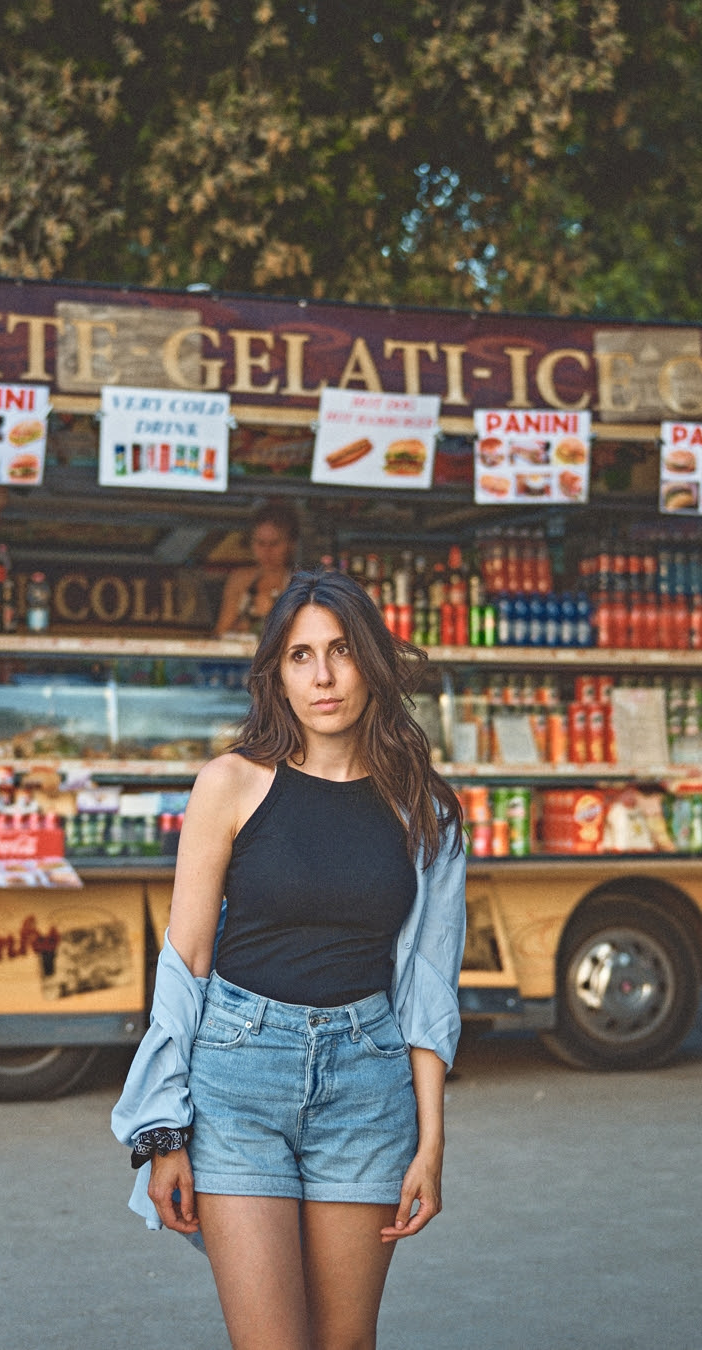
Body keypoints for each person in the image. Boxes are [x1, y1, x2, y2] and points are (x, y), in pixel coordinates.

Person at [112, 569, 467, 1350]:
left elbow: (430, 990)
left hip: (368, 1086)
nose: (324, 676)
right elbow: (187, 958)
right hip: (238, 1077)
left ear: (372, 661)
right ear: (277, 673)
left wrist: (432, 1148)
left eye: (341, 651)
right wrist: (162, 1131)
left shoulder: (427, 810)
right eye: (300, 656)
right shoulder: (230, 785)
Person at [214, 502, 301, 636]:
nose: (267, 551)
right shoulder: (240, 579)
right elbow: (221, 632)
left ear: (291, 545)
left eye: (274, 543)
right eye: (260, 543)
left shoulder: (301, 583)